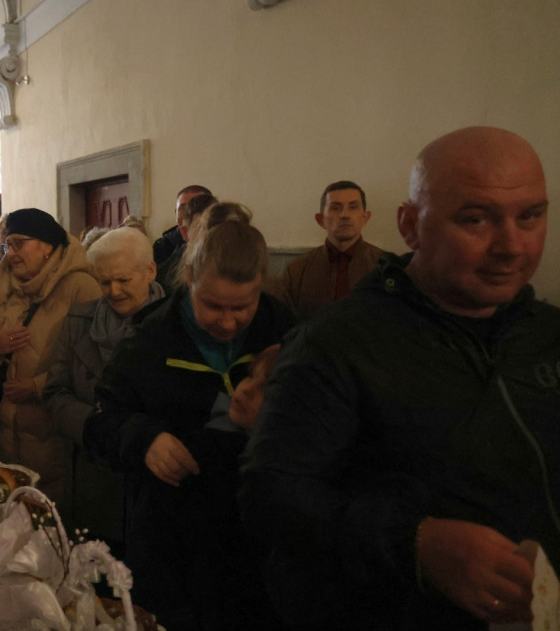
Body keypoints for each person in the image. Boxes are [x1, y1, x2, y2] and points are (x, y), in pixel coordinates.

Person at [240, 126, 555, 631]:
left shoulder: (548, 335)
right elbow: (272, 497)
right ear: (410, 225)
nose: (512, 246)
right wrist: (415, 541)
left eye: (530, 216)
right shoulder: (336, 343)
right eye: (475, 219)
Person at [86, 202, 294, 630]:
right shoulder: (150, 339)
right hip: (171, 541)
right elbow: (101, 420)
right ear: (190, 277)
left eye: (243, 306)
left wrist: (272, 420)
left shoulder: (284, 330)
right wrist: (144, 438)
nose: (229, 323)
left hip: (258, 540)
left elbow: (326, 424)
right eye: (213, 306)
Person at [0, 208, 101, 507]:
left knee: (50, 516)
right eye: (7, 245)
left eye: (18, 244)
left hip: (56, 435)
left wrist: (37, 386)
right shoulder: (8, 286)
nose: (10, 253)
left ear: (46, 245)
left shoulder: (81, 287)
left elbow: (92, 365)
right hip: (8, 435)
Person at [43, 226, 165, 549]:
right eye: (104, 282)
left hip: (151, 482)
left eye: (123, 280)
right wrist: (94, 426)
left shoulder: (173, 326)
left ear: (151, 271)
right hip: (93, 477)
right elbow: (55, 391)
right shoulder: (79, 321)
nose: (113, 291)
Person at [270, 180, 384, 322]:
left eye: (353, 207)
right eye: (336, 208)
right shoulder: (297, 271)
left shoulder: (385, 267)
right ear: (321, 220)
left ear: (365, 218)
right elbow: (283, 323)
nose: (345, 215)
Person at [152, 184, 212, 264]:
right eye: (183, 208)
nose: (189, 212)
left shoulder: (220, 242)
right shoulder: (162, 247)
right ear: (176, 212)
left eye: (197, 207)